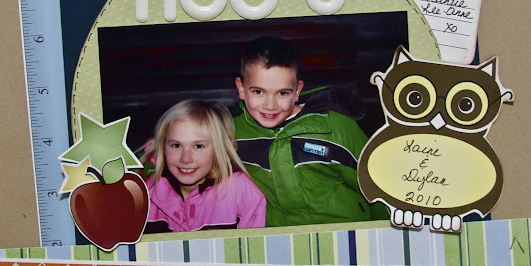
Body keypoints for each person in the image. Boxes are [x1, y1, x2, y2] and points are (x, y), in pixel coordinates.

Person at [233, 36, 389, 227]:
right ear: (241, 88)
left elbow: (379, 186)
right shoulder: (233, 134)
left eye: (283, 93)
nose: (270, 105)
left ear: (297, 90)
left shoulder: (335, 127)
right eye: (258, 92)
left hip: (344, 233)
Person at [142, 99, 266, 232]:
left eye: (198, 146)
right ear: (163, 148)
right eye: (176, 145)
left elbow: (254, 244)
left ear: (219, 148)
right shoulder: (147, 192)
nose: (186, 159)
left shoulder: (242, 193)